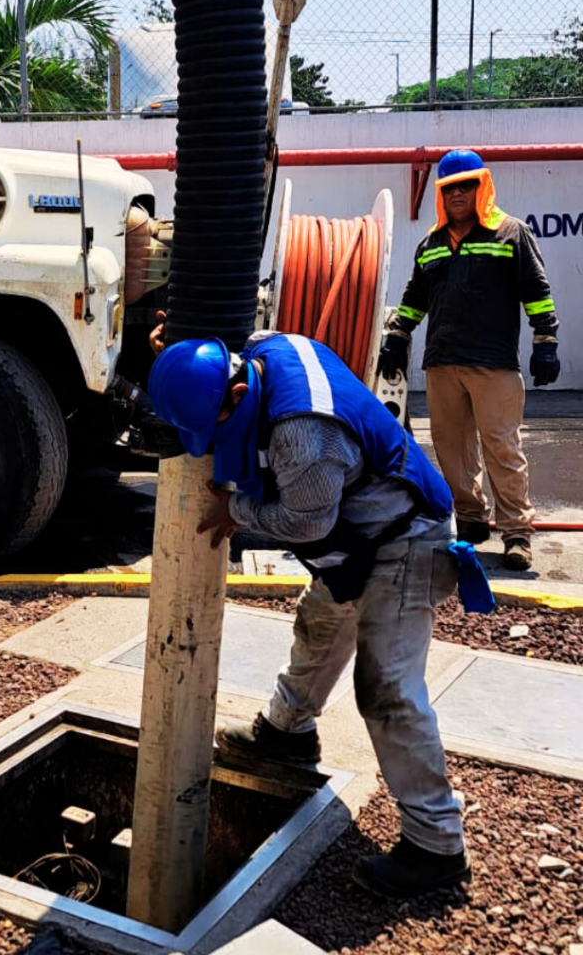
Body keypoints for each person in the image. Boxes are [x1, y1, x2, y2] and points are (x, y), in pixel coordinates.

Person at [147, 330, 471, 898]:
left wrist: (238, 508)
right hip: (365, 529)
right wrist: (179, 359)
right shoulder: (266, 348)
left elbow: (308, 524)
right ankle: (287, 732)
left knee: (386, 689)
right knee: (321, 621)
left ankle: (436, 846)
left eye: (216, 426)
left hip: (405, 538)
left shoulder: (304, 438)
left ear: (241, 390)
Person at [377, 149, 559, 572]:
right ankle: (472, 520)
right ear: (440, 194)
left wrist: (545, 340)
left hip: (493, 363)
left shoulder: (510, 233)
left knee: (502, 448)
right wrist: (397, 336)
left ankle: (516, 532)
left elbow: (535, 288)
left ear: (482, 187)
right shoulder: (431, 244)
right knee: (453, 451)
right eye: (449, 187)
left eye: (466, 185)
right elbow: (414, 298)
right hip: (442, 363)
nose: (458, 193)